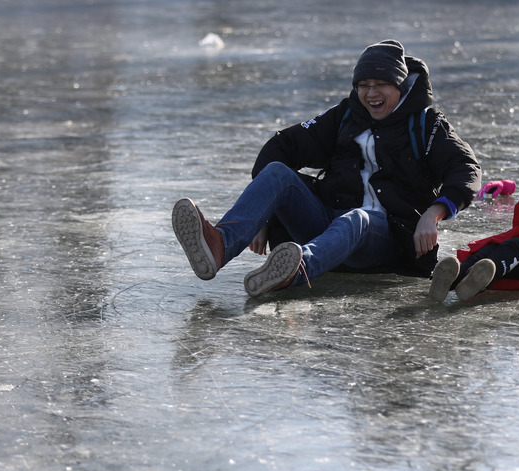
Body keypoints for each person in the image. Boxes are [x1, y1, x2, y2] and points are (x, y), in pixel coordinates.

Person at [172, 39, 481, 297]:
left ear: (399, 86)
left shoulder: (426, 125)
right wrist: (264, 217)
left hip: (386, 240)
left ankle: (292, 270)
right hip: (326, 221)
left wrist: (436, 211)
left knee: (356, 219)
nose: (371, 93)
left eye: (381, 85)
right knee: (278, 172)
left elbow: (465, 167)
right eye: (363, 85)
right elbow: (284, 145)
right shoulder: (346, 115)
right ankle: (220, 247)